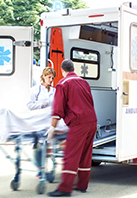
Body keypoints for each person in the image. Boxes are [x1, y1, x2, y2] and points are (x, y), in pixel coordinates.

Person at [46, 59, 97, 197]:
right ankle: (82, 185)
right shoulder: (84, 82)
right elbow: (90, 102)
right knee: (86, 154)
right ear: (74, 69)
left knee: (71, 154)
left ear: (62, 71)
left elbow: (58, 109)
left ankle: (65, 188)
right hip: (92, 121)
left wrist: (52, 127)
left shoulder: (63, 83)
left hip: (78, 123)